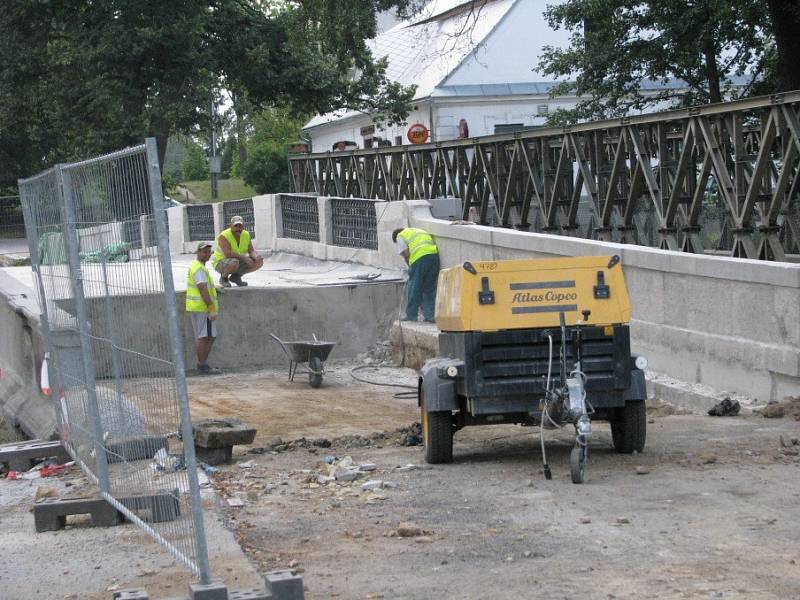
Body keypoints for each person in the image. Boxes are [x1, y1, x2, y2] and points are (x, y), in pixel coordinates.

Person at [187, 242, 221, 375]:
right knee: (205, 337)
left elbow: (203, 285)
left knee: (208, 336)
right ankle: (202, 366)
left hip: (199, 308)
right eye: (204, 252)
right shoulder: (199, 268)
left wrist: (214, 287)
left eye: (209, 252)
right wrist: (211, 307)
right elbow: (202, 289)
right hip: (203, 308)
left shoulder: (197, 266)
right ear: (198, 252)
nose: (207, 254)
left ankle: (202, 365)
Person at [392, 227, 440, 323]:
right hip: (434, 257)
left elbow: (406, 254)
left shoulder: (400, 236)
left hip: (419, 259)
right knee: (429, 288)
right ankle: (430, 316)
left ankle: (411, 315)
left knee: (414, 288)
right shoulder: (419, 231)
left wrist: (410, 267)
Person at [211, 215, 264, 287]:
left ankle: (236, 277)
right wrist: (245, 258)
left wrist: (256, 256)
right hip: (219, 262)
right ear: (231, 226)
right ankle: (224, 278)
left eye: (240, 226)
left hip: (236, 260)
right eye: (236, 226)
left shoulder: (246, 234)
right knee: (234, 262)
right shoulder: (223, 236)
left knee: (259, 262)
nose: (238, 228)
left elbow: (251, 250)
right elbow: (227, 254)